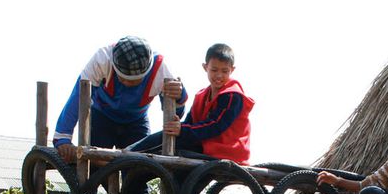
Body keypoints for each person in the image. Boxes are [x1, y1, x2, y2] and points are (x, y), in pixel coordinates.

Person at [52, 36, 187, 158]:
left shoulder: (161, 70)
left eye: (134, 81)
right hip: (101, 116)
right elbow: (79, 96)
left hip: (136, 122)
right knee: (95, 164)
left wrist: (180, 97)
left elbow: (175, 114)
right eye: (123, 78)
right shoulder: (102, 59)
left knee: (138, 167)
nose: (128, 83)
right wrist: (62, 137)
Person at [128, 43, 255, 164]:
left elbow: (216, 125)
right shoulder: (201, 96)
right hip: (206, 146)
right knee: (167, 138)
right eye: (214, 70)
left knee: (172, 143)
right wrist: (178, 126)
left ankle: (129, 153)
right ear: (205, 67)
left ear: (232, 70)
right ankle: (130, 154)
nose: (219, 75)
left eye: (225, 71)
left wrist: (182, 130)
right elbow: (190, 122)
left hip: (227, 151)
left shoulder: (232, 95)